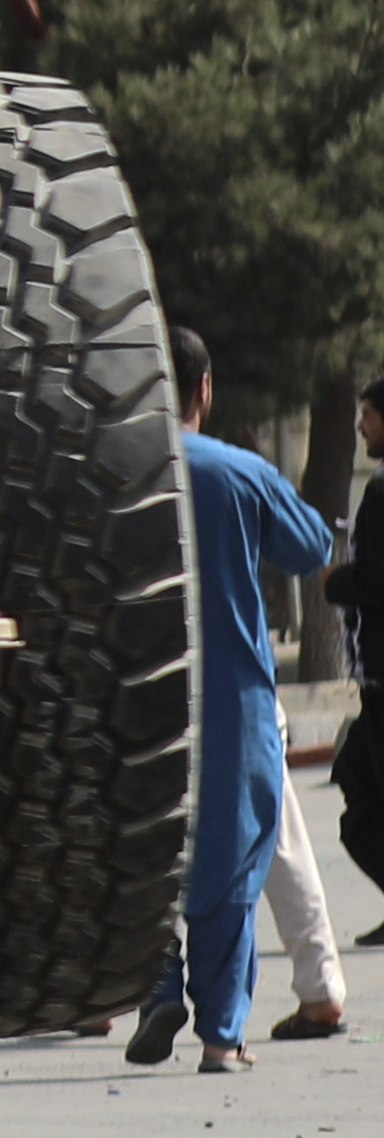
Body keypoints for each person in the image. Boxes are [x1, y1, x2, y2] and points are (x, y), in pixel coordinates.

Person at [130, 324, 339, 1070]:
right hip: (228, 695)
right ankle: (220, 1036)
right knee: (231, 858)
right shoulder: (234, 470)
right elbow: (311, 545)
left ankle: (156, 982)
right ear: (204, 390)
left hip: (130, 696)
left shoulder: (115, 473)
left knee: (141, 852)